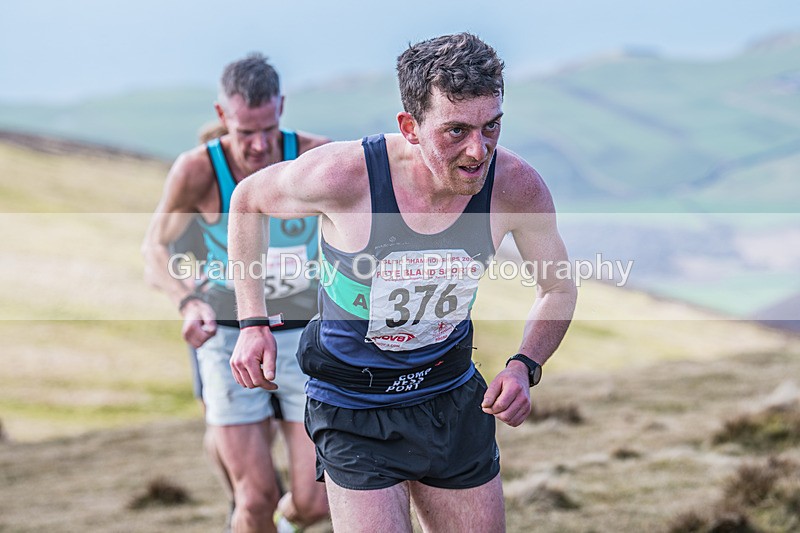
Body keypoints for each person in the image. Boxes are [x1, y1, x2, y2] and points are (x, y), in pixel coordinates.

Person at [228, 33, 578, 532]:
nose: (478, 151)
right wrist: (252, 322)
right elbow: (247, 201)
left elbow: (558, 288)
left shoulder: (516, 187)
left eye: (491, 126)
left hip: (451, 397)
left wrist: (525, 365)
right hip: (353, 407)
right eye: (455, 130)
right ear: (410, 127)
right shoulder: (344, 176)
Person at [142, 53, 329, 533]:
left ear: (282, 107)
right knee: (254, 498)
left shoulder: (315, 158)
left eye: (268, 127)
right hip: (228, 338)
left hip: (303, 337)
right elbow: (154, 249)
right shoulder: (198, 171)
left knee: (314, 501)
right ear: (222, 115)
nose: (261, 145)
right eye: (246, 133)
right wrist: (188, 300)